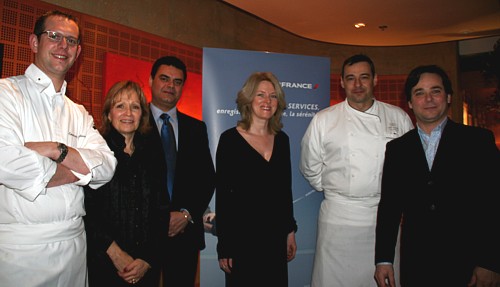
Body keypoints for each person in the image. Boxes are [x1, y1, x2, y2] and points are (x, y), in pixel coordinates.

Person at [0, 10, 117, 287]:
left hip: (76, 247)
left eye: (72, 41)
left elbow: (107, 165)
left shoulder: (78, 111)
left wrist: (57, 150)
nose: (63, 46)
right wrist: (78, 171)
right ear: (34, 42)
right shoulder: (6, 94)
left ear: (77, 53)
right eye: (54, 36)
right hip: (22, 251)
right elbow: (7, 161)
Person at [374, 65, 500, 287]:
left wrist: (490, 262)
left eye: (436, 90)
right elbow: (389, 208)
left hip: (469, 264)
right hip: (417, 263)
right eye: (419, 93)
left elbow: (494, 203)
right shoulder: (397, 149)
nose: (429, 99)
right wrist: (383, 259)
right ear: (410, 102)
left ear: (448, 96)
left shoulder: (478, 141)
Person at [300, 54, 413, 287]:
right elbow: (309, 166)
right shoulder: (324, 120)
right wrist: (337, 189)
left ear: (375, 80)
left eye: (364, 77)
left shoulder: (398, 118)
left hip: (383, 217)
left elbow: (410, 166)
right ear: (341, 82)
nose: (357, 84)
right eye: (351, 78)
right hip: (338, 219)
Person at [215, 72, 298, 286]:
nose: (267, 101)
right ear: (248, 99)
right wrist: (225, 246)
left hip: (275, 239)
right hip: (242, 242)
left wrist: (290, 231)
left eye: (273, 96)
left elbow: (284, 192)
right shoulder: (229, 140)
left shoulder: (283, 140)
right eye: (260, 94)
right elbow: (224, 198)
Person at [84, 81, 169, 286]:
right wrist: (115, 254)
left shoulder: (154, 154)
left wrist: (147, 259)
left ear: (142, 115)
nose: (128, 113)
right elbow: (88, 210)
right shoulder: (94, 151)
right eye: (120, 105)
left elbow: (161, 209)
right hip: (104, 263)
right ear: (109, 113)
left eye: (135, 106)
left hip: (146, 266)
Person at [146, 56, 216, 286]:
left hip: (184, 231)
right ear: (151, 80)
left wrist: (186, 214)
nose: (170, 86)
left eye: (177, 82)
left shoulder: (196, 128)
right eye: (164, 79)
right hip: (143, 233)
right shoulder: (133, 122)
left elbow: (206, 179)